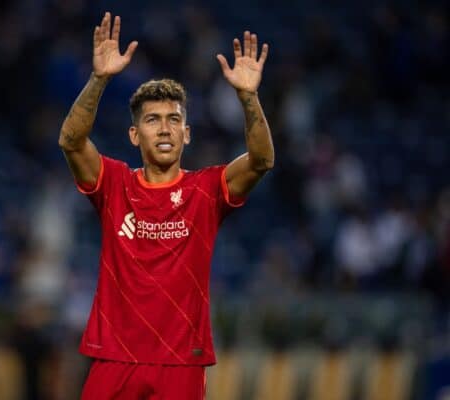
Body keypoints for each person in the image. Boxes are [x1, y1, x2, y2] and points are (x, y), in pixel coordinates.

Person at [58, 11, 274, 399]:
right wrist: (99, 79)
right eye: (152, 120)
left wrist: (248, 97)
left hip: (180, 362)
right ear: (134, 133)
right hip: (116, 357)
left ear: (187, 134)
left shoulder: (207, 190)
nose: (164, 128)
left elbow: (261, 160)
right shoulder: (115, 183)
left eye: (174, 120)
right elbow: (71, 142)